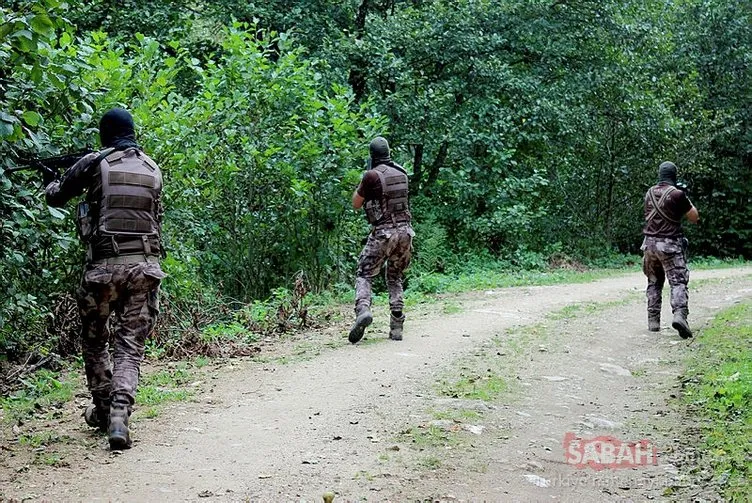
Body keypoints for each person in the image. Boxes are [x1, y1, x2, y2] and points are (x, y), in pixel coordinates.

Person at [46, 108, 166, 449]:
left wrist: (49, 178)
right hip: (144, 270)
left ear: (105, 134)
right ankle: (117, 415)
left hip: (102, 271)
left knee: (96, 341)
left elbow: (56, 194)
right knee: (129, 348)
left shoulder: (95, 161)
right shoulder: (152, 168)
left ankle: (102, 406)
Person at [349, 137, 415, 344]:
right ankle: (396, 326)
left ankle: (363, 310)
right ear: (388, 152)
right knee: (394, 276)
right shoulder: (403, 173)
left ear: (372, 155)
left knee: (365, 273)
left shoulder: (371, 175)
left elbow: (356, 203)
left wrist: (363, 180)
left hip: (384, 233)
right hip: (405, 232)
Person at [641, 161, 699, 338]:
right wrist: (685, 197)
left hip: (649, 245)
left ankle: (653, 321)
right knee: (678, 282)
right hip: (669, 245)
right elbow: (694, 217)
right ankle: (680, 315)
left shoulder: (649, 193)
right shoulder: (677, 194)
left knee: (654, 282)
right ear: (674, 175)